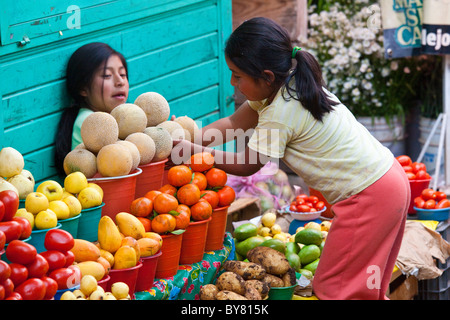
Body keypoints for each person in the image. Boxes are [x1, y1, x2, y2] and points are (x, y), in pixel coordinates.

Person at [171, 17, 410, 300]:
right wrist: (188, 138)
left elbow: (248, 163)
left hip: (369, 196)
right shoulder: (286, 85)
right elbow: (232, 123)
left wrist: (194, 153)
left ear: (267, 76)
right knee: (363, 290)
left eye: (238, 75)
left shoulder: (280, 112)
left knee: (335, 289)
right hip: (387, 182)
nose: (233, 83)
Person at [54, 42, 129, 176]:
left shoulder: (116, 118)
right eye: (107, 76)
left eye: (123, 75)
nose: (120, 82)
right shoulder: (88, 121)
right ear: (83, 88)